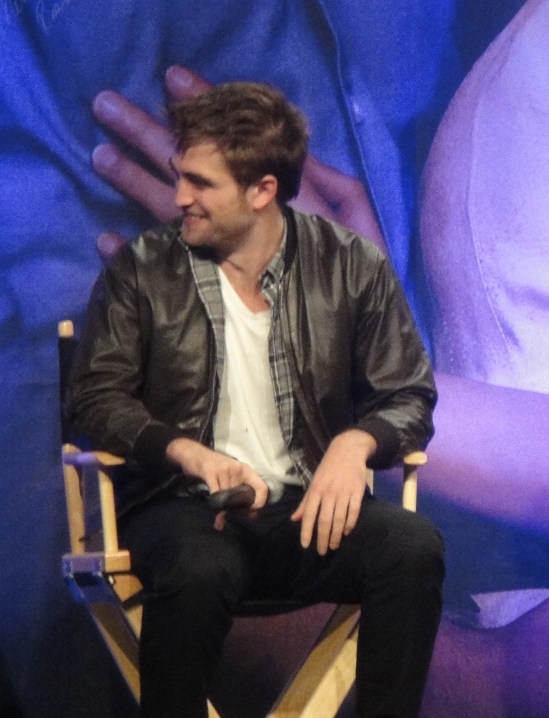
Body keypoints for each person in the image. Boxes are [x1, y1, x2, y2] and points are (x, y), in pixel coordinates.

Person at [67, 81, 443, 718]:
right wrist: (187, 452)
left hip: (303, 510)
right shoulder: (142, 269)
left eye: (200, 183)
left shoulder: (350, 265)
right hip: (180, 508)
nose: (180, 197)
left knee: (411, 548)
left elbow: (409, 393)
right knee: (199, 566)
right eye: (179, 176)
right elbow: (96, 398)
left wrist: (357, 443)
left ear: (262, 190)